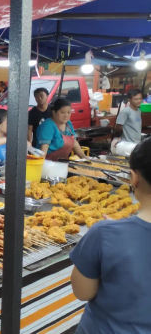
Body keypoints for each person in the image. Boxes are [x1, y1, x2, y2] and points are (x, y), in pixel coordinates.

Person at [70, 137, 151, 334]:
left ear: (134, 177)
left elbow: (82, 292)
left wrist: (111, 234)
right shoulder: (109, 234)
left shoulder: (104, 234)